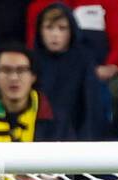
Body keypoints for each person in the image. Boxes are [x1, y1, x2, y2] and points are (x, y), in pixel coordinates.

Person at [30, 3, 104, 141]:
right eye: (49, 28)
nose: (55, 34)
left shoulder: (84, 61)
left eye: (62, 28)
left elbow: (91, 109)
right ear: (40, 31)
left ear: (72, 31)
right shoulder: (30, 61)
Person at [0, 43, 66, 141]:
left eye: (21, 70)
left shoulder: (55, 119)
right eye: (6, 70)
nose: (14, 78)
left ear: (33, 76)